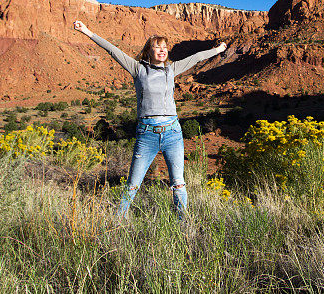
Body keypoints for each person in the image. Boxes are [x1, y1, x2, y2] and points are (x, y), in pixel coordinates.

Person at [73, 20, 226, 220]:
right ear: (149, 51)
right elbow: (113, 50)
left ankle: (183, 224)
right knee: (133, 184)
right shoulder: (138, 69)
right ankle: (117, 222)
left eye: (164, 47)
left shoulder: (172, 69)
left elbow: (196, 58)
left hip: (172, 132)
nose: (162, 50)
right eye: (157, 47)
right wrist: (87, 32)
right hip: (147, 134)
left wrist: (218, 50)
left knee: (178, 183)